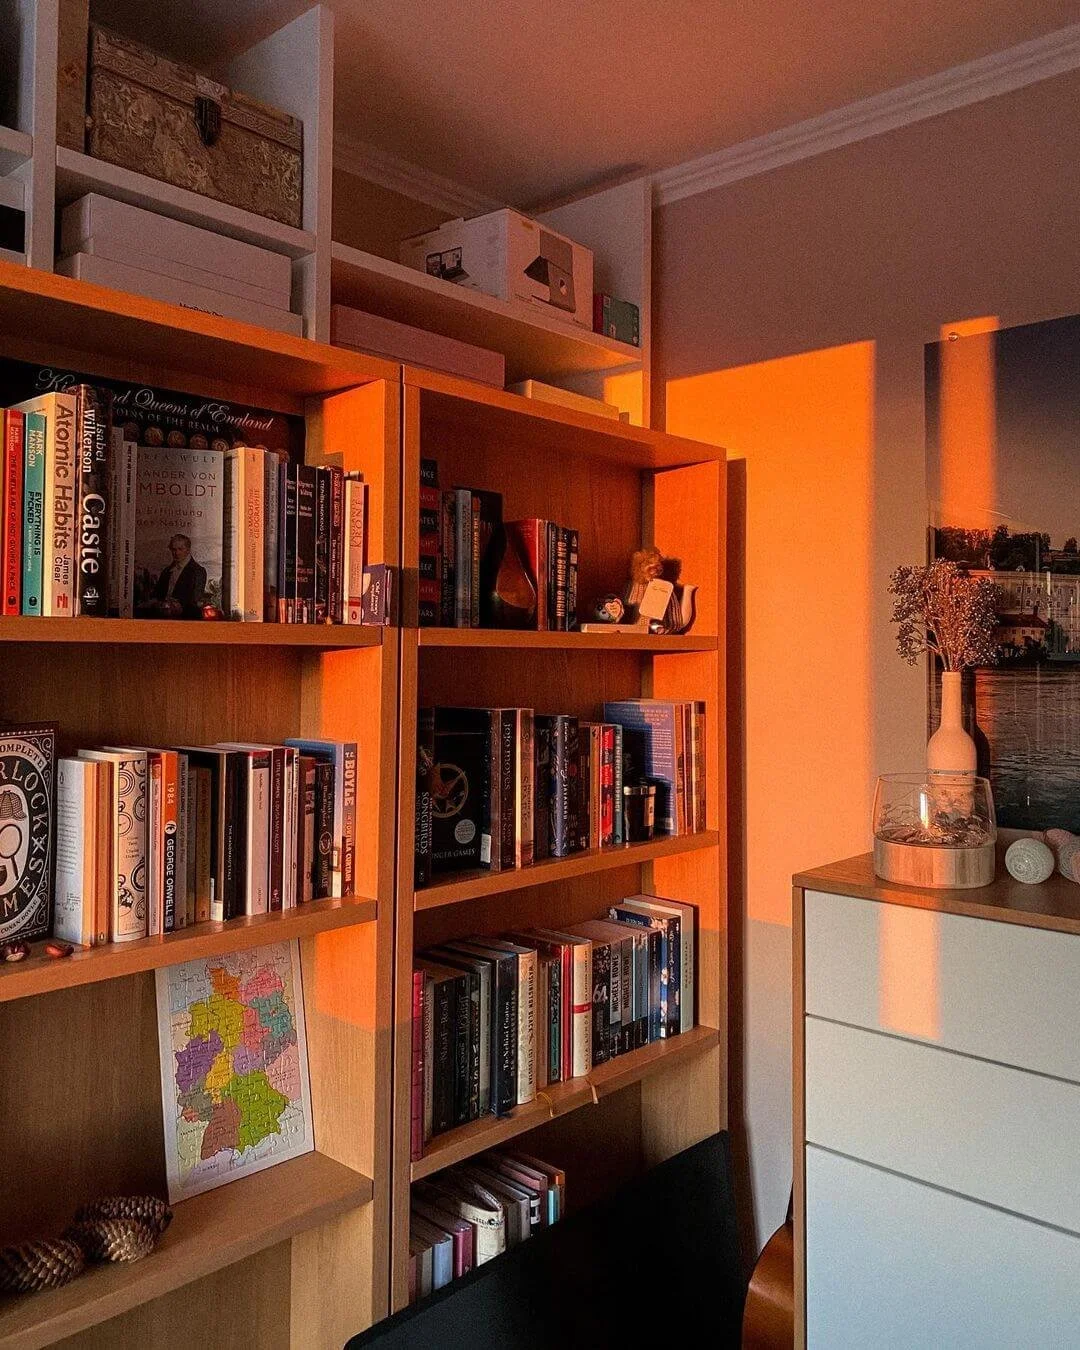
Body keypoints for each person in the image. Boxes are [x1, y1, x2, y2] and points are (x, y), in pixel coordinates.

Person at [152, 534, 208, 618]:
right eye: (174, 549)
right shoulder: (167, 571)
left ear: (188, 550)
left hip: (185, 619)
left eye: (180, 549)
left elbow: (195, 600)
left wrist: (177, 605)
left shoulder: (198, 571)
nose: (177, 553)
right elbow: (158, 594)